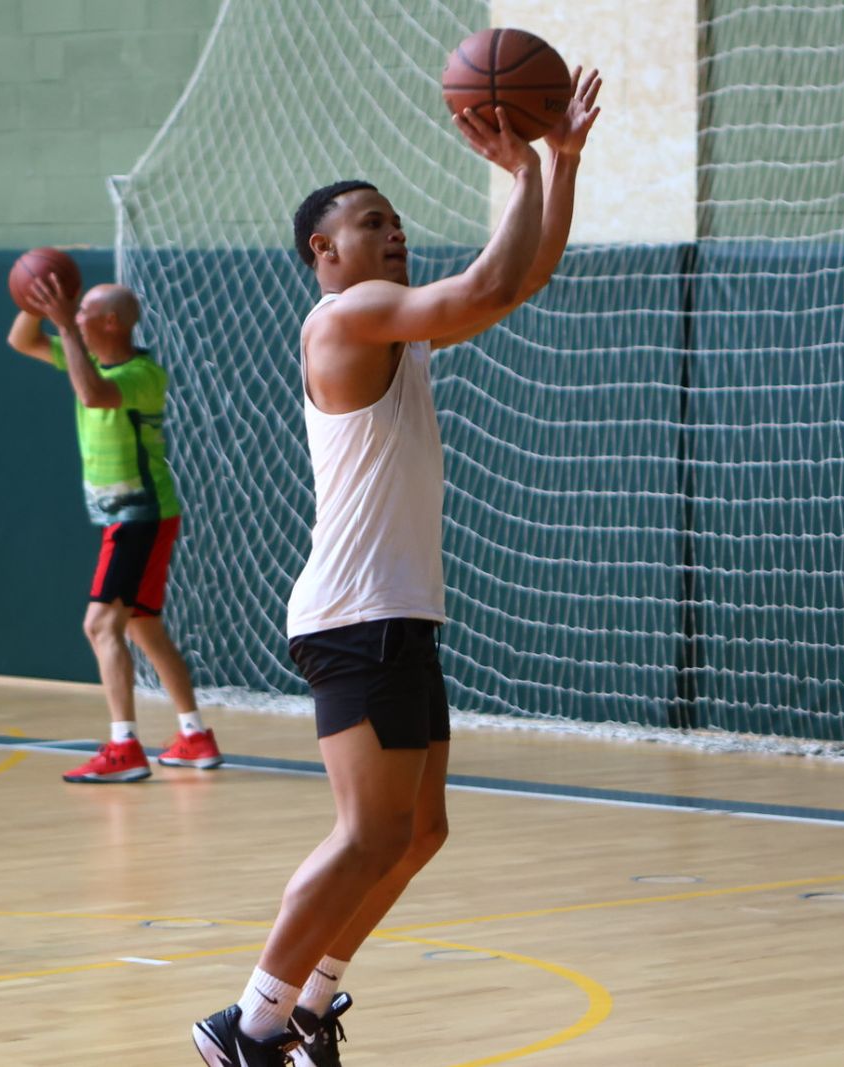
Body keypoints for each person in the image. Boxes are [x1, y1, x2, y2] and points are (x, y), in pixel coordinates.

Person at [190, 71, 602, 1067]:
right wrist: (521, 171)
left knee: (417, 831)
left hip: (396, 612)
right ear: (323, 251)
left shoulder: (391, 322)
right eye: (372, 222)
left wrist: (559, 164)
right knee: (367, 831)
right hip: (355, 615)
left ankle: (306, 1002)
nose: (394, 233)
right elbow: (491, 286)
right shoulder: (347, 314)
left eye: (396, 222)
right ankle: (246, 1024)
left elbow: (521, 280)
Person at [7, 276, 222, 781]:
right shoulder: (86, 357)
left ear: (109, 322)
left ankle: (124, 746)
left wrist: (64, 327)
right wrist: (33, 299)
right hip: (133, 516)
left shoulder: (142, 373)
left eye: (83, 311)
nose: (74, 317)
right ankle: (194, 736)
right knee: (143, 625)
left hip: (137, 515)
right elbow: (21, 340)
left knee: (100, 625)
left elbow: (93, 394)